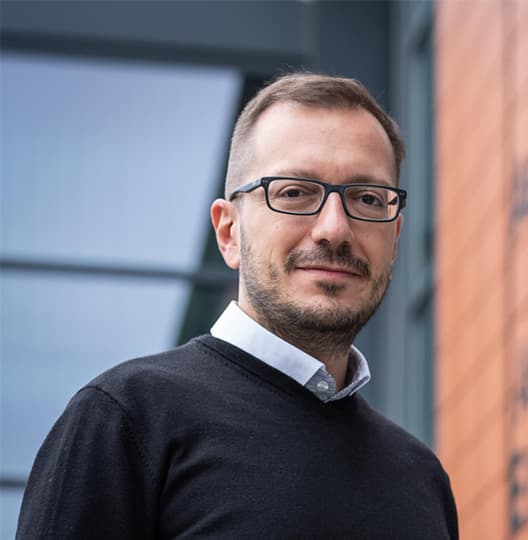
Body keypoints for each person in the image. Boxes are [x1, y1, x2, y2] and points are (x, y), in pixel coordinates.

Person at [16, 72, 459, 539]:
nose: (335, 228)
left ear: (394, 237)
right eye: (294, 192)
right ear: (229, 233)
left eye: (367, 198)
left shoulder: (421, 478)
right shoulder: (127, 419)